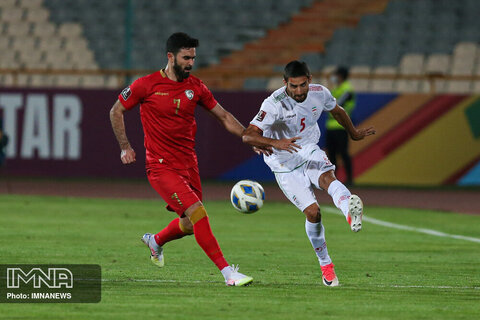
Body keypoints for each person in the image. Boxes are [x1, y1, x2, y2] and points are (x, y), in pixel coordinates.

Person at [109, 32, 254, 286]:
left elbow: (223, 116)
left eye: (193, 58)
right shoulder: (146, 84)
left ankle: (155, 241)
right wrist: (125, 146)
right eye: (186, 58)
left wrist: (247, 136)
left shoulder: (196, 87)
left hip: (189, 165)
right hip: (160, 167)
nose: (190, 63)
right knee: (198, 213)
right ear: (170, 56)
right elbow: (116, 110)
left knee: (188, 224)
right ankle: (228, 273)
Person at [242, 61, 375, 287]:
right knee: (314, 213)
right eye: (293, 86)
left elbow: (337, 110)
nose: (299, 91)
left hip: (307, 148)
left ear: (309, 80)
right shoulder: (273, 103)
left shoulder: (319, 93)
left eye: (303, 85)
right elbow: (248, 135)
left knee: (327, 178)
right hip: (283, 163)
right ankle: (326, 265)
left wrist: (353, 133)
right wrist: (276, 142)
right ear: (285, 83)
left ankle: (348, 209)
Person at [326, 66, 356, 185]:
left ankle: (350, 179)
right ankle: (332, 179)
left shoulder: (347, 89)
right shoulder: (337, 87)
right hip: (331, 126)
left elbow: (336, 105)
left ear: (341, 76)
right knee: (331, 155)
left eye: (336, 75)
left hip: (341, 127)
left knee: (343, 153)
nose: (334, 77)